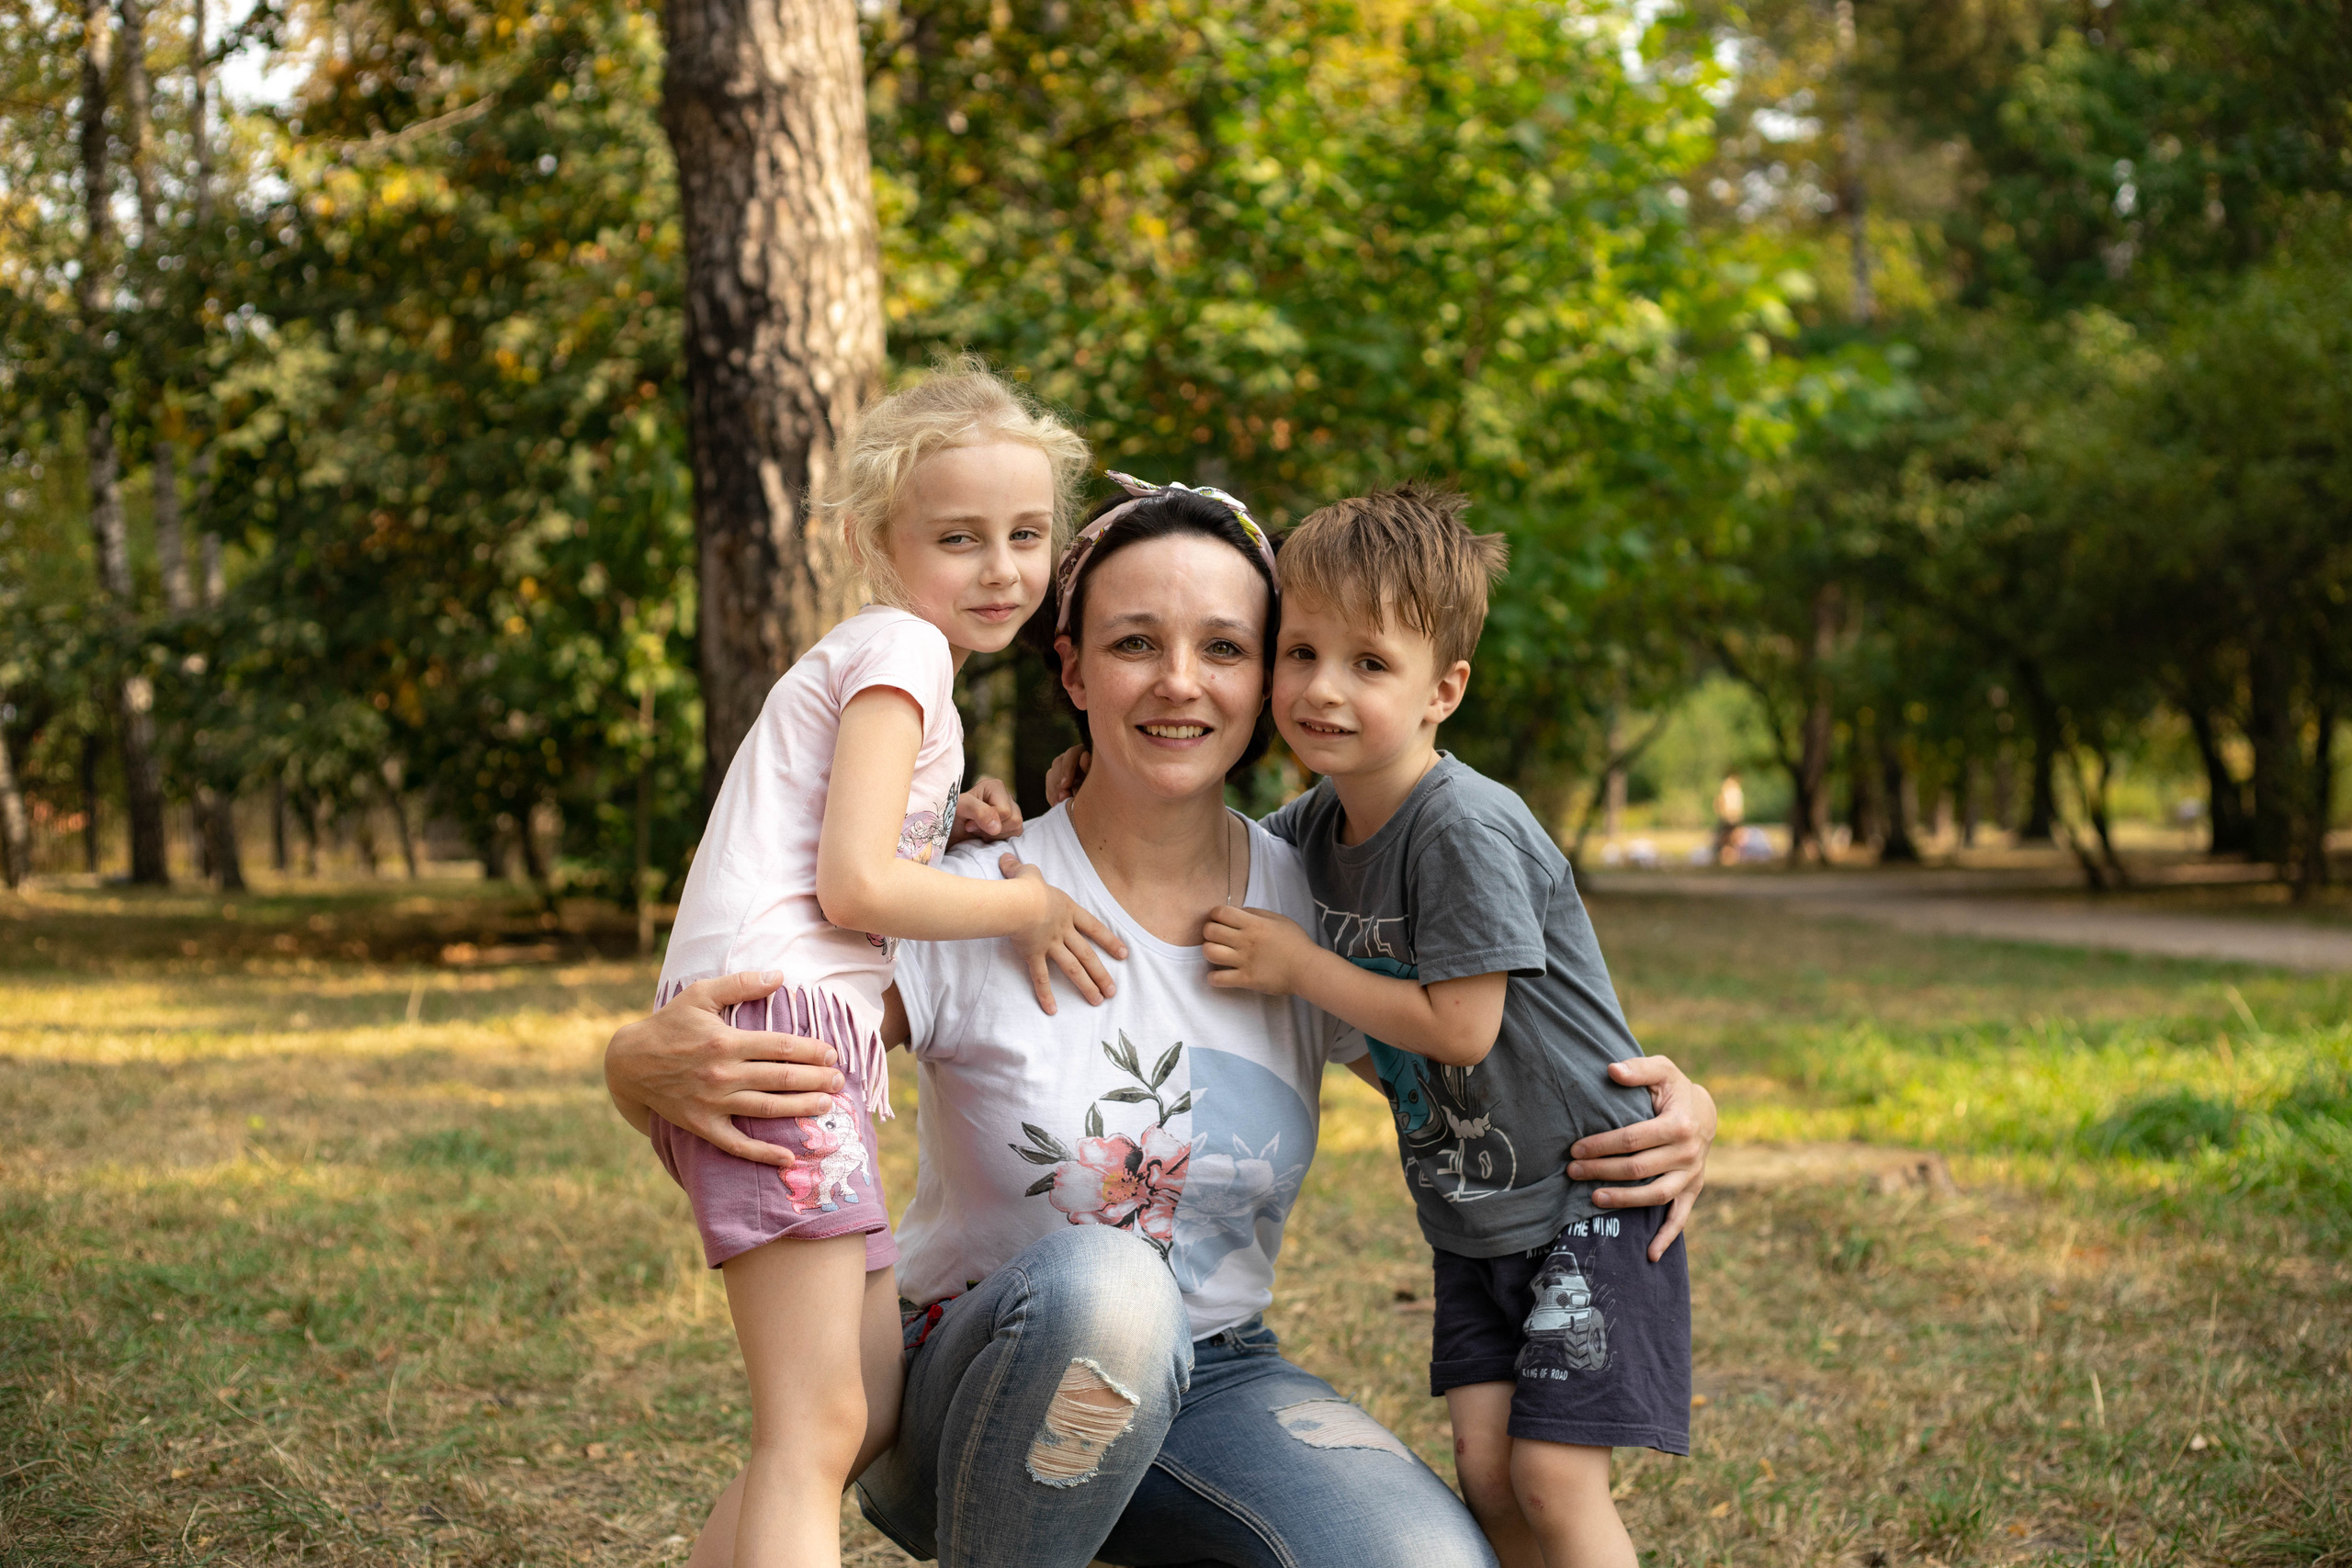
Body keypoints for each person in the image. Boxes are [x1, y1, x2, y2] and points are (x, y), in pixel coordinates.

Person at [605, 476, 1719, 1568]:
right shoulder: (976, 890)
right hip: (970, 1375)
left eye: (1226, 648)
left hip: (1218, 1377)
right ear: (1073, 670)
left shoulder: (1311, 900)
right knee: (1111, 1286)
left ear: (1267, 676)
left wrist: (1670, 1106)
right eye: (1135, 643)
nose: (1179, 684)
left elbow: (1469, 1056)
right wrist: (631, 1063)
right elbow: (787, 1057)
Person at [612, 366, 1126, 1568]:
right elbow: (854, 884)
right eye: (960, 536)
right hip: (777, 1022)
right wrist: (1022, 898)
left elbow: (866, 843)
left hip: (810, 1025)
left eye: (1026, 534)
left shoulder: (898, 665)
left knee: (868, 1403)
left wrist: (958, 829)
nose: (1001, 567)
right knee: (816, 1419)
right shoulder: (901, 646)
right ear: (874, 540)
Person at [1191, 485, 1688, 1568]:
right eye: (1301, 652)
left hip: (1584, 1194)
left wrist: (1300, 965)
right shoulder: (1316, 826)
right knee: (1485, 1472)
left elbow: (1461, 1028)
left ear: (1442, 690)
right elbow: (1199, 851)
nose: (1323, 689)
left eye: (1370, 664)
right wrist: (1055, 792)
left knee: (1553, 1482)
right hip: (1473, 1213)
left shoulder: (1457, 826)